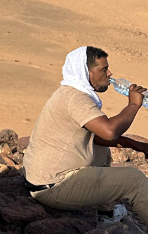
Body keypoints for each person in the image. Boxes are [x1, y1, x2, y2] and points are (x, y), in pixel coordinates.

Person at [23, 46, 148, 224]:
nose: (110, 74)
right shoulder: (75, 98)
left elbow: (99, 136)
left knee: (100, 150)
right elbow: (110, 131)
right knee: (135, 181)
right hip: (52, 186)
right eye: (104, 69)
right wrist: (134, 105)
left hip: (47, 178)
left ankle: (106, 216)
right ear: (85, 71)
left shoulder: (72, 93)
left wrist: (137, 145)